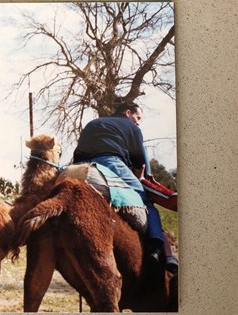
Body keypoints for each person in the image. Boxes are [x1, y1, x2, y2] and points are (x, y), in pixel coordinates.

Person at [72, 101, 178, 273]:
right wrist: (142, 177)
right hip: (110, 162)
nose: (138, 122)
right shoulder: (133, 128)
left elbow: (78, 150)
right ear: (128, 113)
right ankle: (157, 247)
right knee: (146, 201)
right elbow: (138, 159)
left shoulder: (93, 123)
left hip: (80, 166)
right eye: (138, 117)